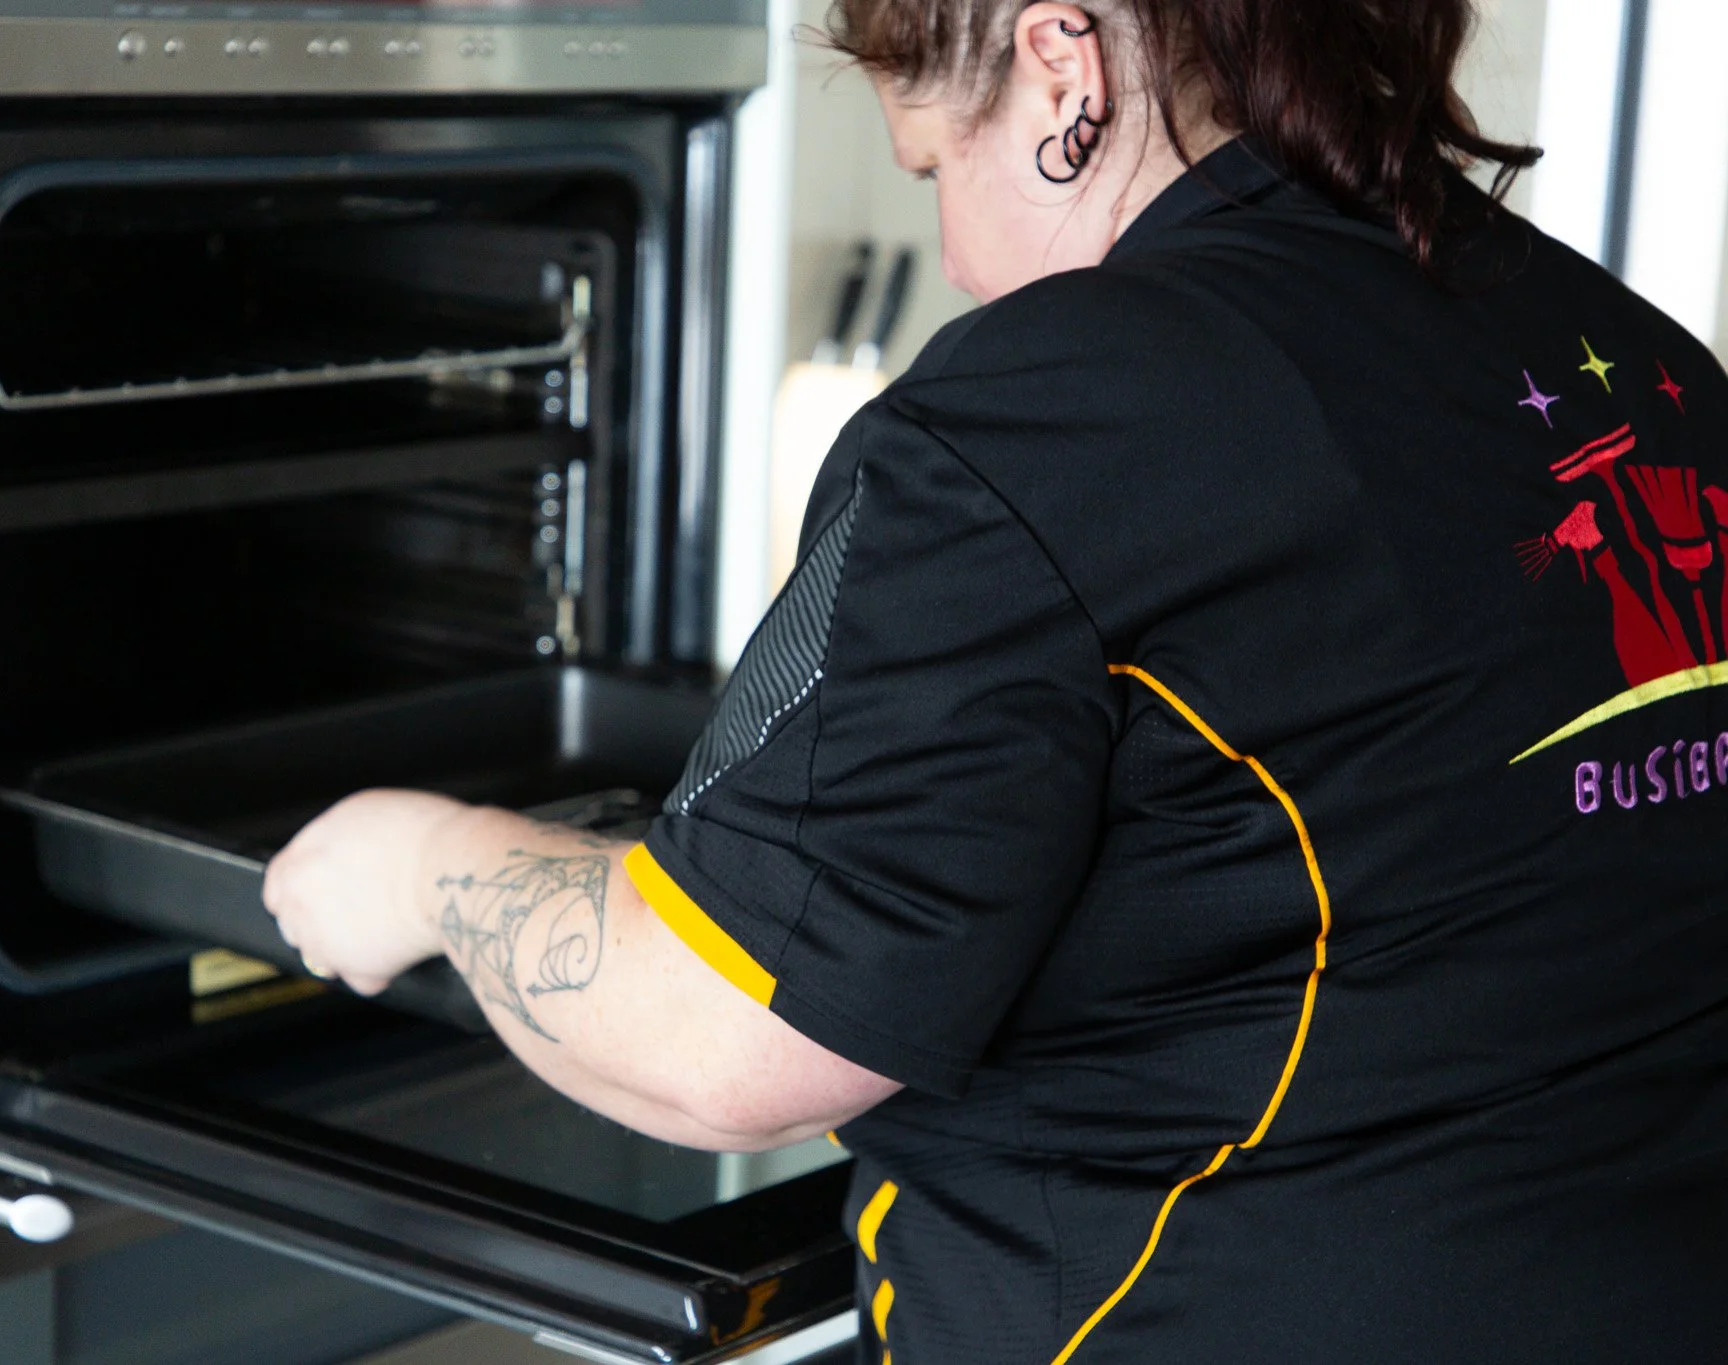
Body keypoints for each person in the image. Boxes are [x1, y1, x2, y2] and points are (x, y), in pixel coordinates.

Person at [264, 1, 1728, 1359]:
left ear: (1064, 74)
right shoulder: (1629, 356)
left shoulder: (1054, 400)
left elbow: (728, 1036)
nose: (957, 261)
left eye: (930, 167)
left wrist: (426, 866)